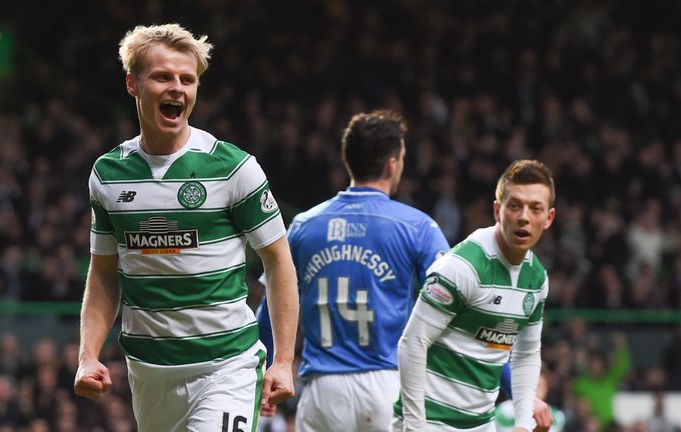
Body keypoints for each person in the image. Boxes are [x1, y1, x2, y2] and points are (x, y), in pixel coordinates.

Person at [73, 23, 299, 432]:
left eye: (187, 79)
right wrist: (88, 354)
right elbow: (104, 273)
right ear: (132, 84)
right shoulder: (107, 175)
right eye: (162, 77)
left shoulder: (233, 168)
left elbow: (279, 262)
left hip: (226, 365)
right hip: (148, 372)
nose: (177, 87)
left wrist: (283, 361)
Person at [261, 110, 451, 431]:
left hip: (321, 389)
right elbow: (455, 305)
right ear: (393, 163)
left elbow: (270, 307)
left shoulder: (304, 226)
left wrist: (266, 371)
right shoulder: (417, 226)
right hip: (387, 384)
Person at [395, 159, 556, 432]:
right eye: (514, 205)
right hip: (429, 422)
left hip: (481, 424)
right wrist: (414, 426)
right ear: (497, 210)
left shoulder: (537, 279)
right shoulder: (462, 266)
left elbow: (526, 353)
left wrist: (522, 422)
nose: (524, 217)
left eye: (535, 208)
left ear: (548, 218)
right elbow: (412, 343)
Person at [495, 367, 565, 431]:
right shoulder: (504, 411)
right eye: (533, 387)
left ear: (547, 387)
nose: (536, 393)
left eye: (539, 387)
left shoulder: (556, 416)